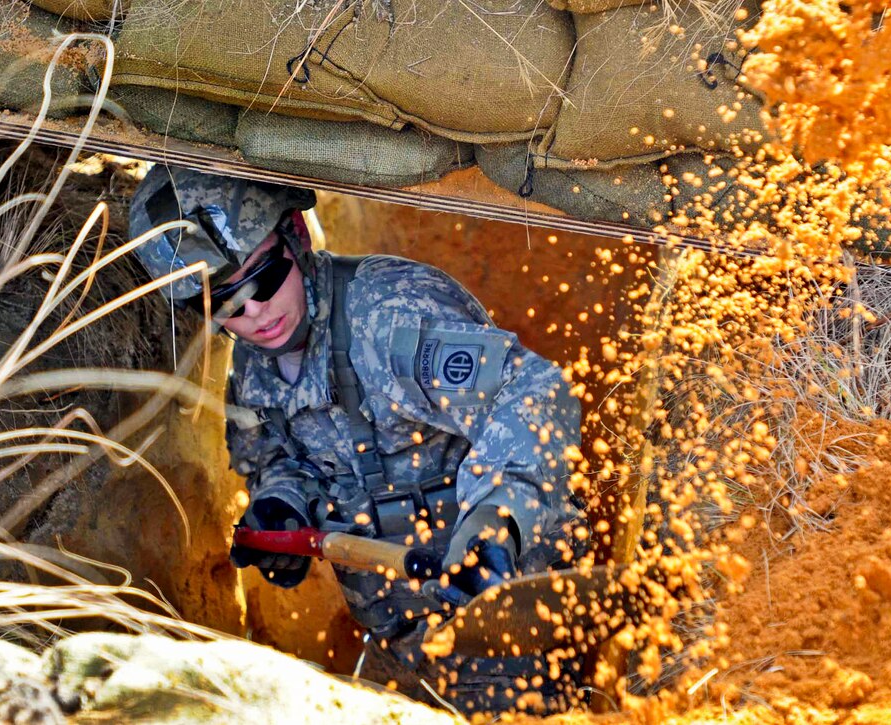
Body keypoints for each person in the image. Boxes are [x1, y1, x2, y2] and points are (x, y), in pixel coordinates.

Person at [128, 166, 588, 716]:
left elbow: (531, 391)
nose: (252, 313)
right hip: (405, 635)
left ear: (296, 236)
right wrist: (282, 505)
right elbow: (275, 459)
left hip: (512, 610)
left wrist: (496, 521)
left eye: (262, 279)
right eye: (222, 303)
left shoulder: (391, 317)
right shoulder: (251, 367)